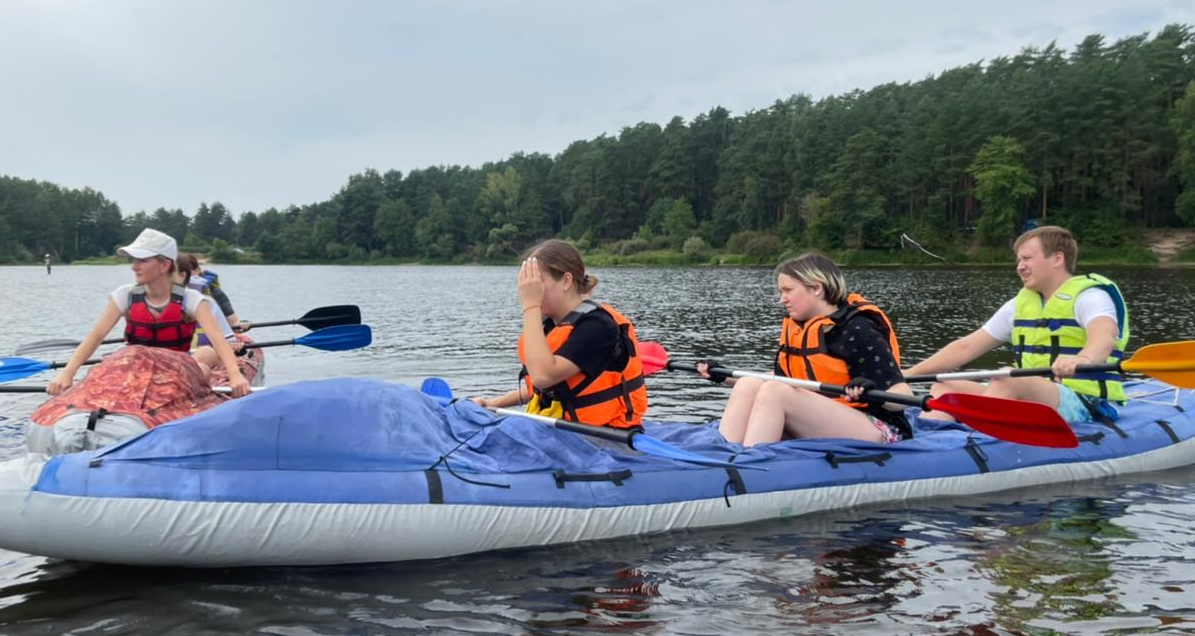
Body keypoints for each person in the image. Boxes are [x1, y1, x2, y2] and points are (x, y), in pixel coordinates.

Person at [904, 225, 1128, 423]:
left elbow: (1104, 336)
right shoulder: (1019, 305)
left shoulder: (1090, 297)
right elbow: (966, 348)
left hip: (1084, 400)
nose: (1020, 266)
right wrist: (905, 374)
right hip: (1032, 393)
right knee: (945, 388)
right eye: (1019, 260)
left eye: (1027, 258)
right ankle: (931, 441)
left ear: (1057, 259)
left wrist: (1084, 358)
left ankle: (980, 437)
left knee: (1007, 378)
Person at [698, 253, 912, 446]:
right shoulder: (801, 330)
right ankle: (724, 455)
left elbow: (902, 393)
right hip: (825, 417)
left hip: (879, 428)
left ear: (817, 288)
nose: (782, 300)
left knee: (775, 392)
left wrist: (872, 392)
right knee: (748, 384)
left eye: (788, 290)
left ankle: (750, 463)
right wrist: (723, 376)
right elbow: (783, 377)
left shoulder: (858, 329)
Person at [46, 229, 251, 398]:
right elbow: (95, 337)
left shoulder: (192, 299)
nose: (134, 267)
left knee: (203, 367)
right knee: (97, 371)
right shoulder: (124, 295)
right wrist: (67, 373)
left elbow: (217, 339)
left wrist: (235, 375)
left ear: (164, 265)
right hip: (136, 370)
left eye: (142, 260)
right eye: (134, 260)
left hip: (174, 372)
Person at [471, 239, 648, 429]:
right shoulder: (550, 326)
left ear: (566, 281)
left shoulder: (598, 327)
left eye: (537, 281)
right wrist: (493, 403)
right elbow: (542, 389)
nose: (530, 289)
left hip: (604, 436)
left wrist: (530, 305)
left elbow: (543, 377)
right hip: (562, 431)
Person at [177, 253, 245, 346]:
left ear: (197, 270)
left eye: (188, 271)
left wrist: (241, 326)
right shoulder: (166, 294)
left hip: (210, 346)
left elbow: (234, 322)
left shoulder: (213, 293)